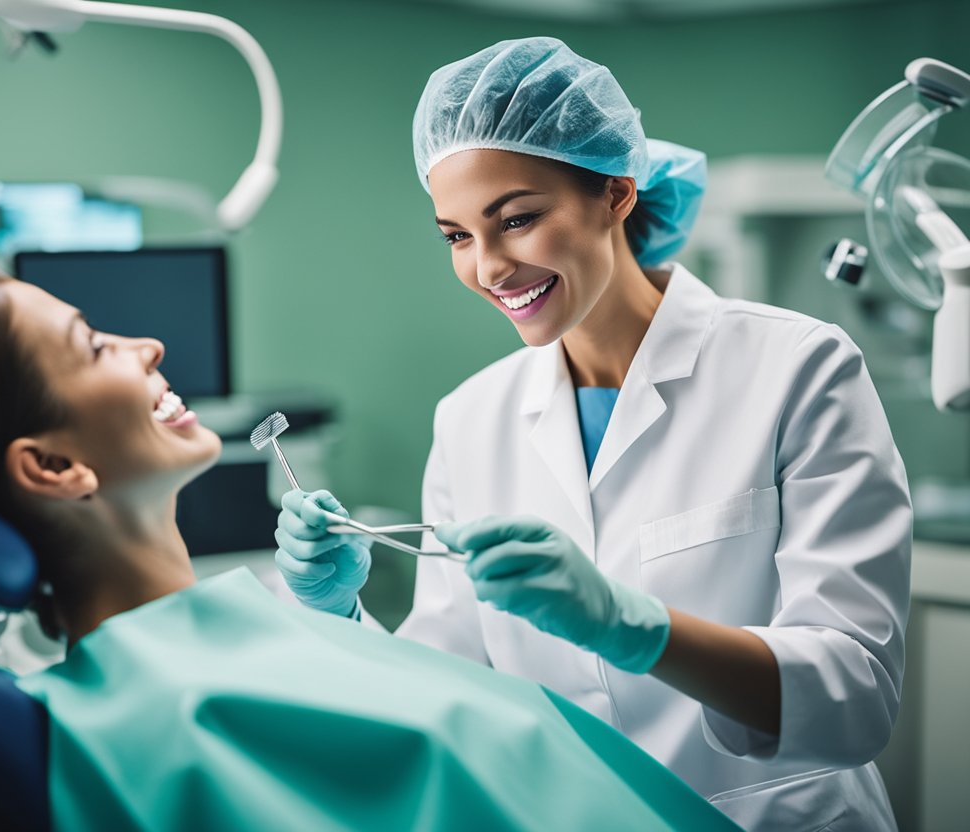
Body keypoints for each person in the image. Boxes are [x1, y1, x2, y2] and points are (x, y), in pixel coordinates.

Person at [274, 37, 912, 832]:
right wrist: (341, 613)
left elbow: (855, 695)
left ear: (615, 193)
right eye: (457, 236)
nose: (490, 267)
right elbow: (450, 690)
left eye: (518, 219)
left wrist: (631, 627)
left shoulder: (795, 368)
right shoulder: (471, 417)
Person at [0, 275, 739, 831]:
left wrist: (338, 623)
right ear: (56, 466)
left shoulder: (206, 656)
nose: (147, 345)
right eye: (94, 345)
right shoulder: (183, 720)